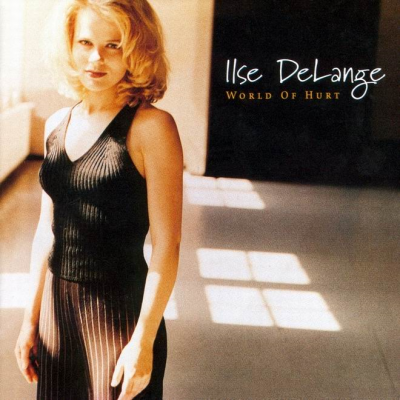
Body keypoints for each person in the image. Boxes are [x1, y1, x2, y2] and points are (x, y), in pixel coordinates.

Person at [14, 0, 183, 399]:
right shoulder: (57, 124)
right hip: (57, 315)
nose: (96, 58)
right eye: (86, 42)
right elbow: (46, 233)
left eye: (114, 45)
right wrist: (30, 320)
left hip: (120, 314)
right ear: (70, 45)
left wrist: (143, 340)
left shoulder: (152, 127)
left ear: (137, 50)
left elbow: (167, 245)